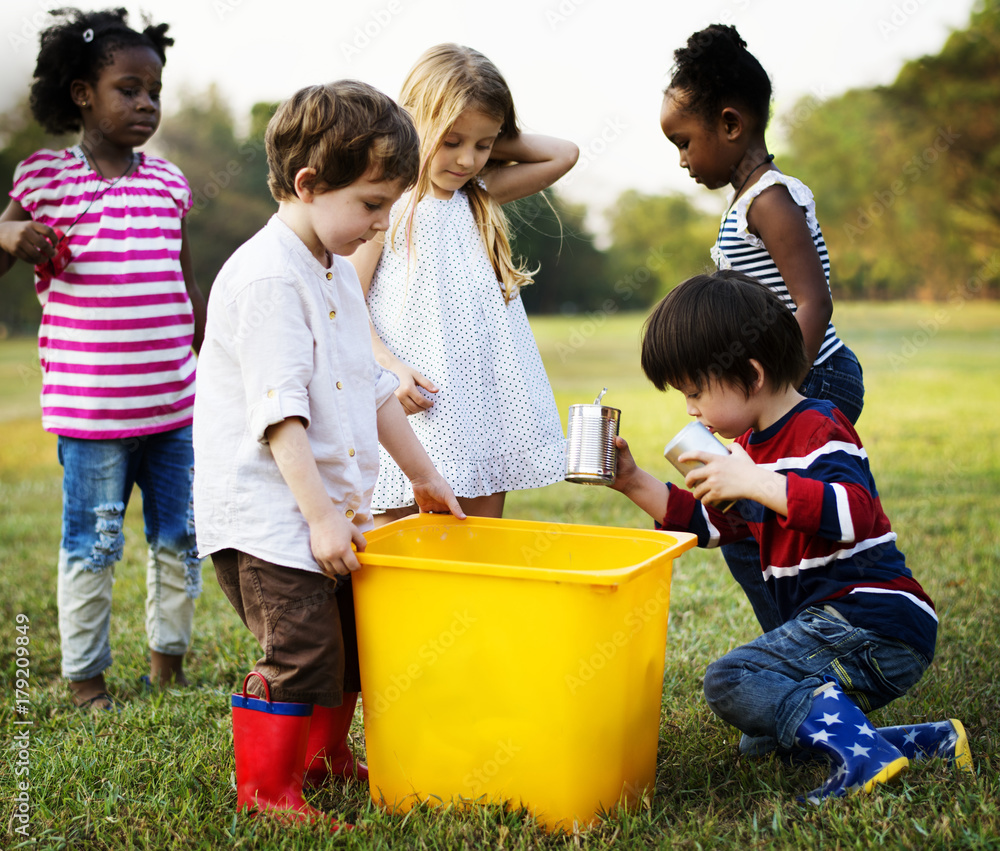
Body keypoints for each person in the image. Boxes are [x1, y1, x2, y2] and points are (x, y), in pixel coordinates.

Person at [193, 81, 466, 828]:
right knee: (303, 651)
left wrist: (424, 474)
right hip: (272, 521)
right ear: (309, 184)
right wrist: (317, 518)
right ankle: (267, 790)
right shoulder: (271, 278)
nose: (381, 221)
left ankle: (326, 757)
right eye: (373, 204)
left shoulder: (335, 270)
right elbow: (279, 415)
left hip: (331, 515)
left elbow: (375, 389)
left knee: (348, 646)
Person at [610, 270, 970, 802]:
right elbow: (715, 525)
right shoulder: (752, 451)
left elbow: (855, 513)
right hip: (837, 630)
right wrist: (633, 481)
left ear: (751, 375)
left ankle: (865, 758)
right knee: (764, 740)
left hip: (877, 622)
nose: (690, 410)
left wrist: (757, 480)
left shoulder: (819, 427)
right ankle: (930, 741)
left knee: (731, 680)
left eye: (695, 392)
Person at [0, 8, 206, 710]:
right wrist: (14, 235)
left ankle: (167, 666)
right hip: (93, 416)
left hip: (175, 407)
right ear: (83, 93)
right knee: (93, 547)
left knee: (178, 539)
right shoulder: (44, 178)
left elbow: (180, 283)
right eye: (128, 88)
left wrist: (206, 360)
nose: (146, 103)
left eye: (154, 90)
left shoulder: (169, 183)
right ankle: (86, 679)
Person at [659, 23, 866, 637]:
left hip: (809, 376)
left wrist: (781, 397)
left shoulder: (768, 201)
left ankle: (799, 647)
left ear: (730, 124)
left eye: (685, 141)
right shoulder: (751, 199)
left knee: (760, 519)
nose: (682, 160)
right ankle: (792, 645)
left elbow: (814, 302)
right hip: (775, 380)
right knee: (750, 519)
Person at [351, 43, 579, 526]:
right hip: (411, 394)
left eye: (483, 144)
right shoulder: (387, 200)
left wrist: (492, 134)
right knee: (398, 531)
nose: (468, 159)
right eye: (451, 140)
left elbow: (565, 154)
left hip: (483, 398)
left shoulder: (478, 194)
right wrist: (387, 365)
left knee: (475, 535)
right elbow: (346, 294)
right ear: (416, 122)